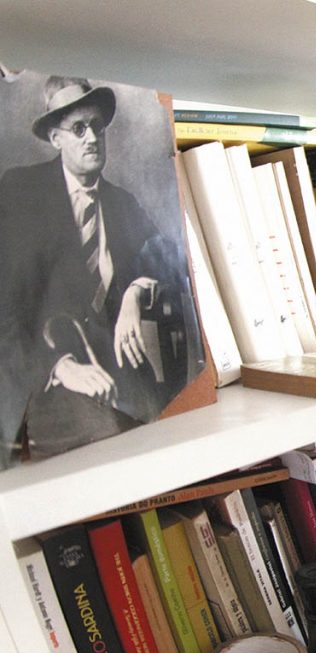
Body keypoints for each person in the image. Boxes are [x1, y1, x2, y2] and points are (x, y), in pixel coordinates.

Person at [0, 75, 196, 458]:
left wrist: (135, 292)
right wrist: (59, 367)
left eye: (97, 127)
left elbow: (173, 263)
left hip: (120, 378)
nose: (91, 137)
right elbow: (5, 310)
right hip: (46, 383)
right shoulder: (20, 192)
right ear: (55, 138)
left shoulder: (122, 203)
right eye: (78, 128)